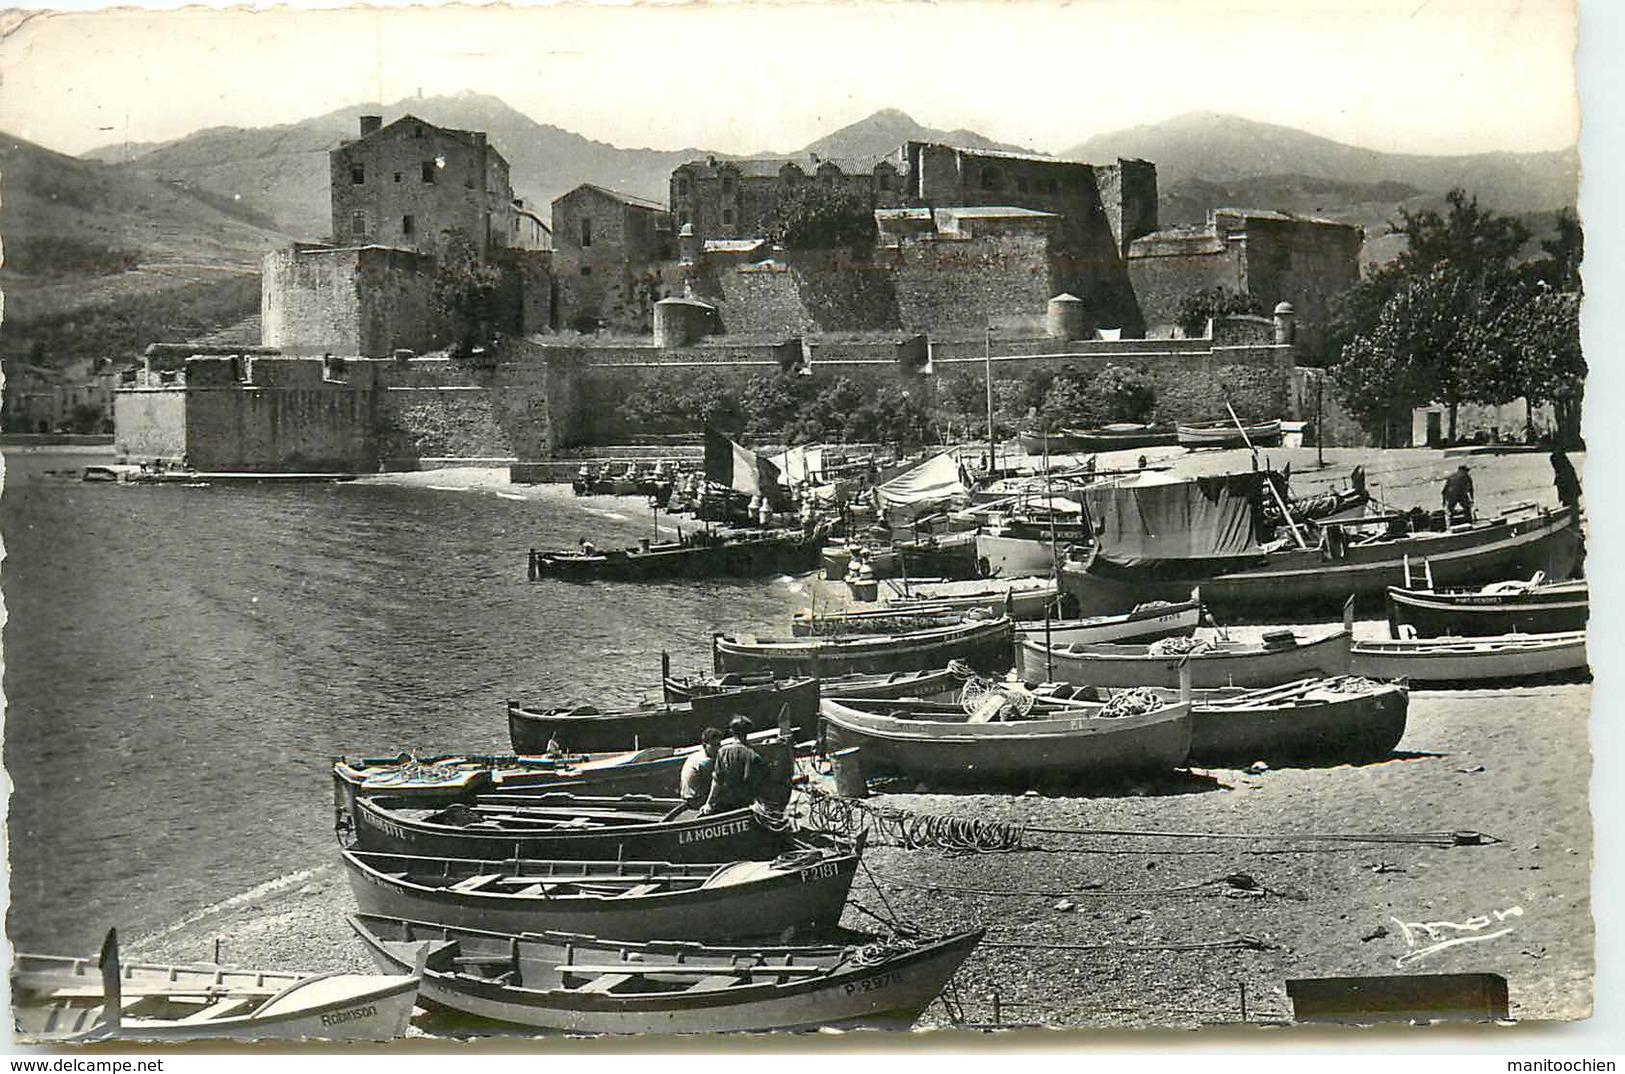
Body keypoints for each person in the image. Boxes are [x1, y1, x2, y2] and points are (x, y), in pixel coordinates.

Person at [701, 716, 767, 815]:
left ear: (731, 732)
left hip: (726, 803)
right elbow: (755, 783)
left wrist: (708, 803)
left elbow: (717, 781)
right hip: (746, 804)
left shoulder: (722, 752)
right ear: (747, 732)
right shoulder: (752, 755)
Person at [679, 728, 724, 808]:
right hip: (697, 800)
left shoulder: (694, 755)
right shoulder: (706, 762)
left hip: (685, 797)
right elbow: (715, 783)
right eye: (713, 745)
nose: (717, 748)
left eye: (718, 744)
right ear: (704, 745)